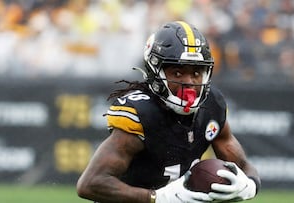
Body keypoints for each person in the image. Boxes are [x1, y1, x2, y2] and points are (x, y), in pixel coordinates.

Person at [76, 21, 261, 203]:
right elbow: (90, 184)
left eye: (196, 73)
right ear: (156, 71)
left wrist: (249, 186)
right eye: (178, 73)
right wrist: (156, 198)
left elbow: (244, 167)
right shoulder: (142, 114)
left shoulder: (212, 105)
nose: (189, 82)